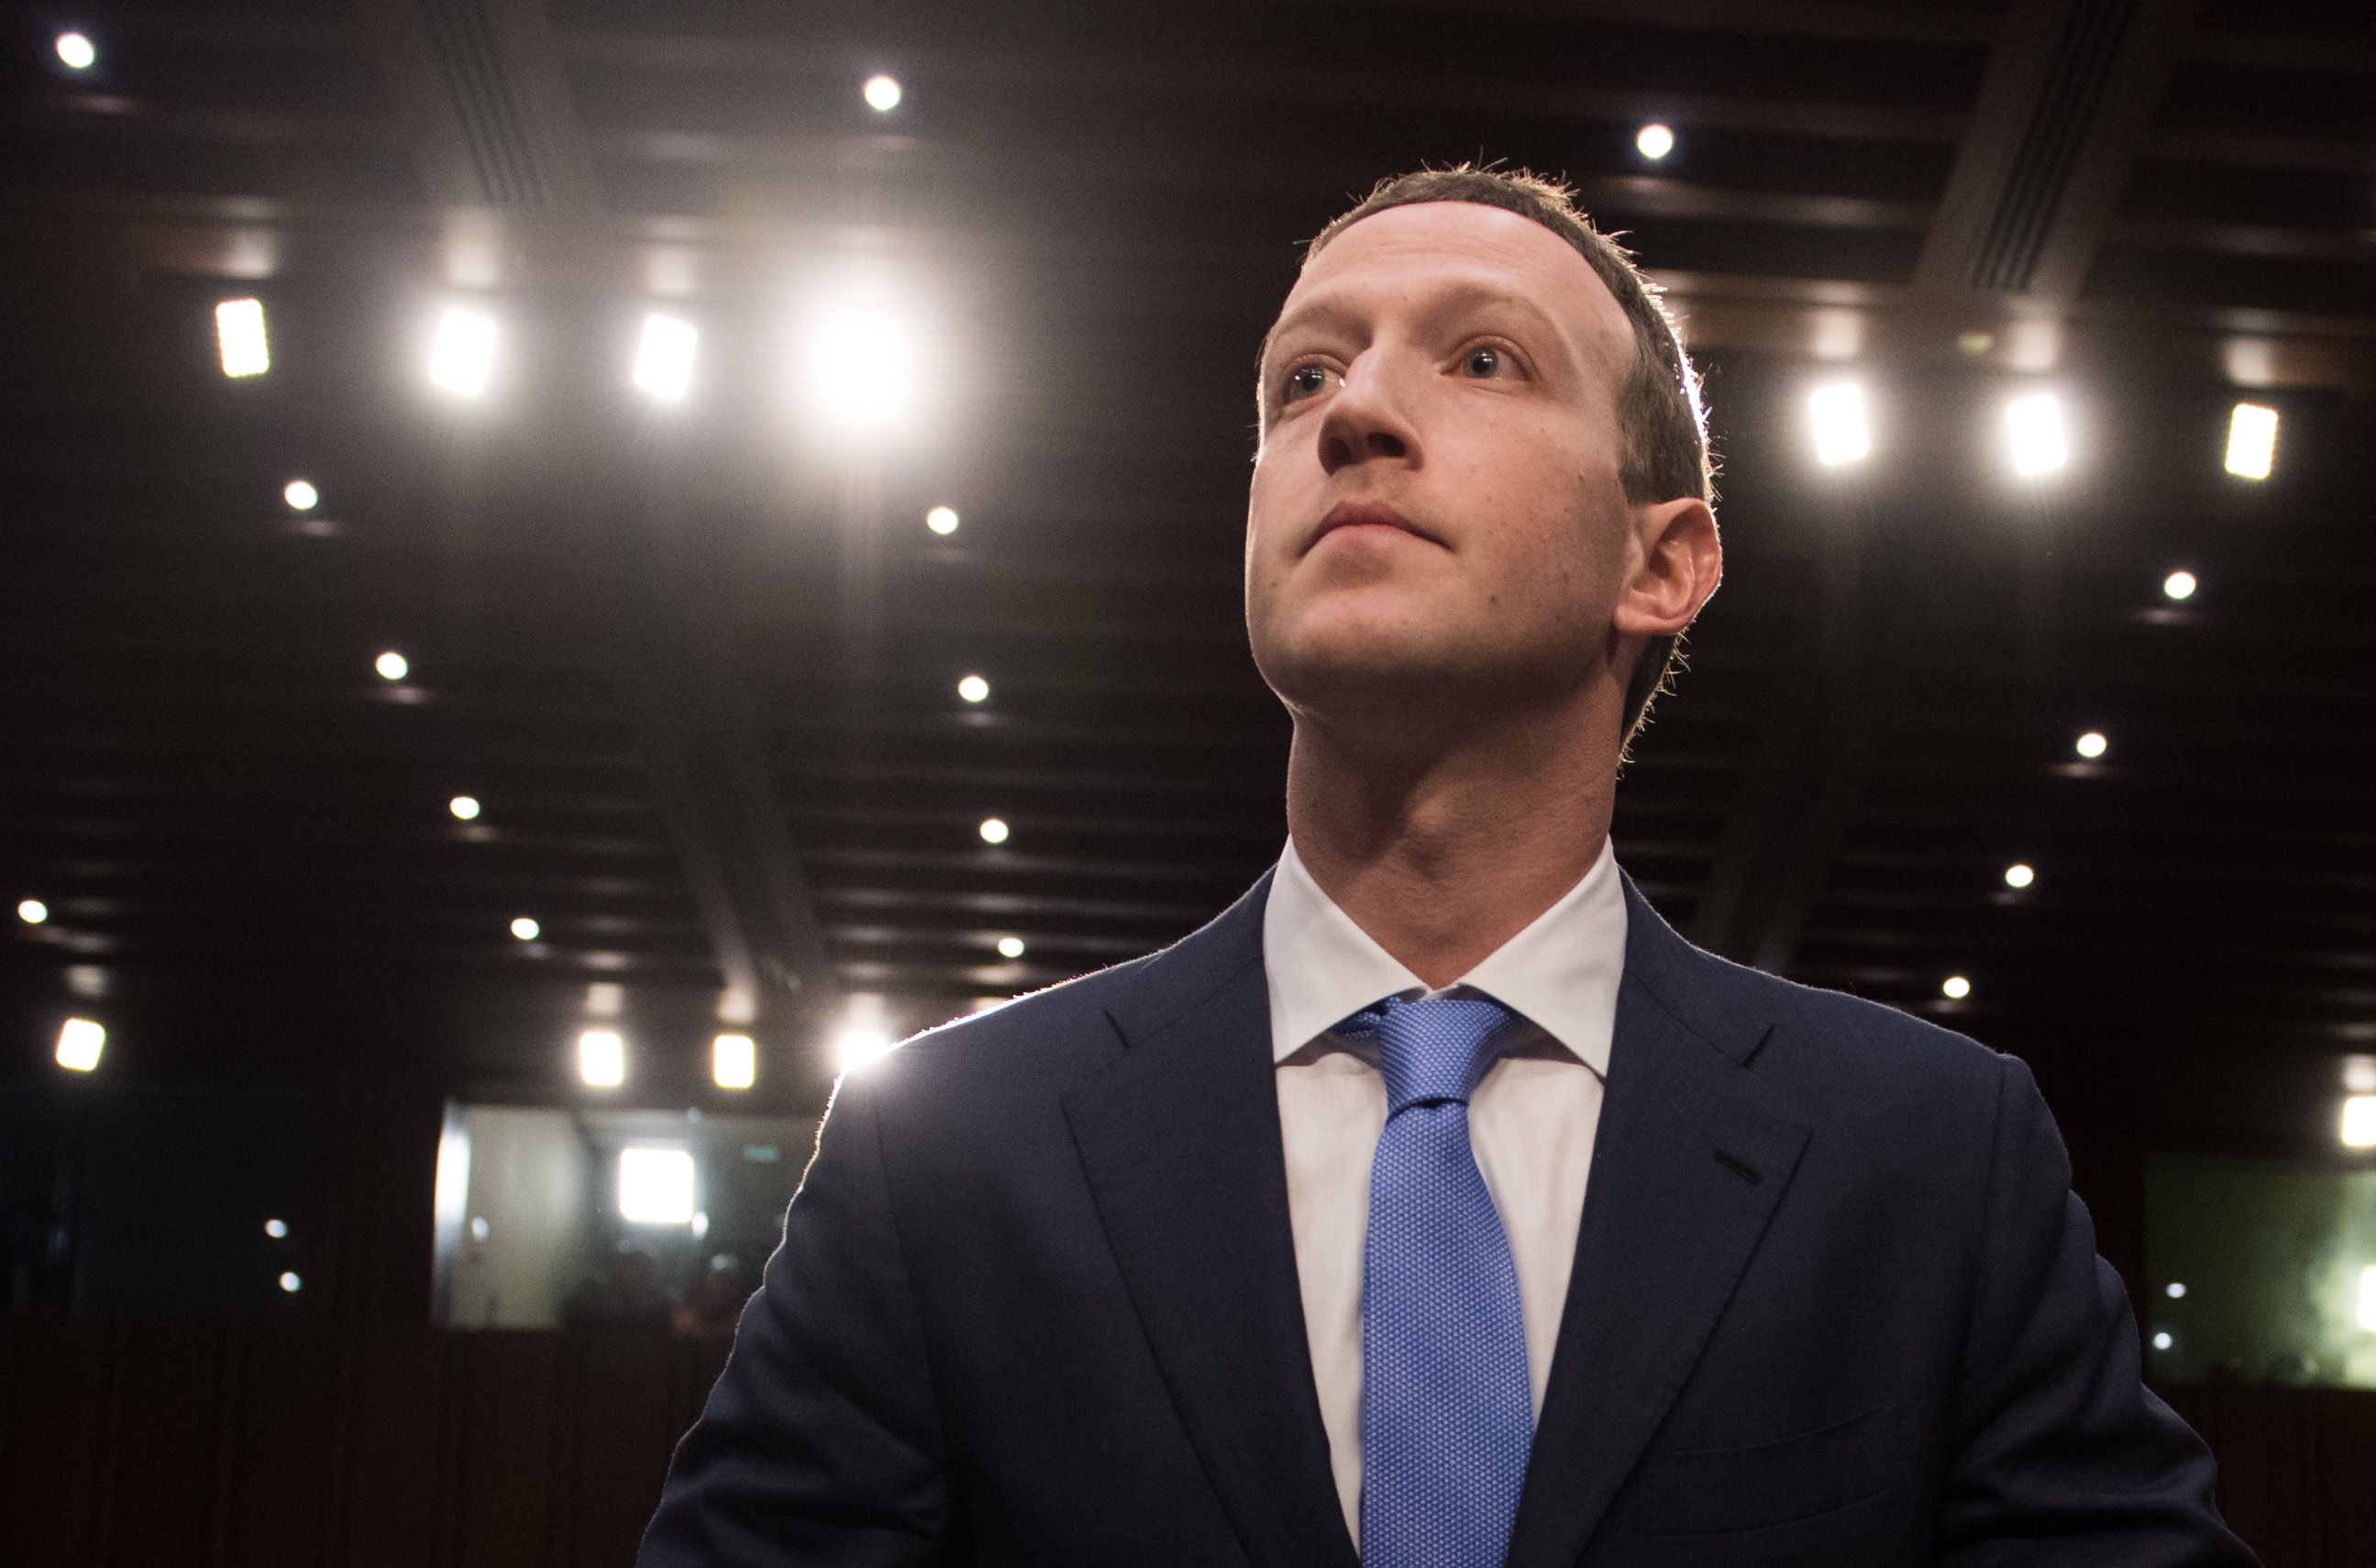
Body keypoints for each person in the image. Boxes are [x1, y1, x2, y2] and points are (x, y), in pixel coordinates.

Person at [637, 165, 2258, 1566]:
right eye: (1299, 380)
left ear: (1661, 560)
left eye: (1481, 358)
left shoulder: (1927, 1162)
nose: (1350, 411)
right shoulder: (945, 1157)